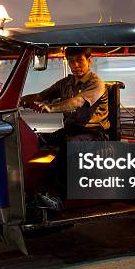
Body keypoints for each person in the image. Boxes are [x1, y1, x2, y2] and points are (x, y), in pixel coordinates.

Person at [21, 47, 109, 210]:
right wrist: (18, 101)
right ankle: (32, 188)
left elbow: (77, 102)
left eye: (79, 60)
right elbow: (40, 96)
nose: (75, 65)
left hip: (94, 134)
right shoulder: (66, 83)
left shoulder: (96, 83)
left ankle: (59, 198)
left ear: (89, 60)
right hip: (71, 130)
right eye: (71, 61)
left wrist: (51, 108)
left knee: (70, 147)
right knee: (38, 138)